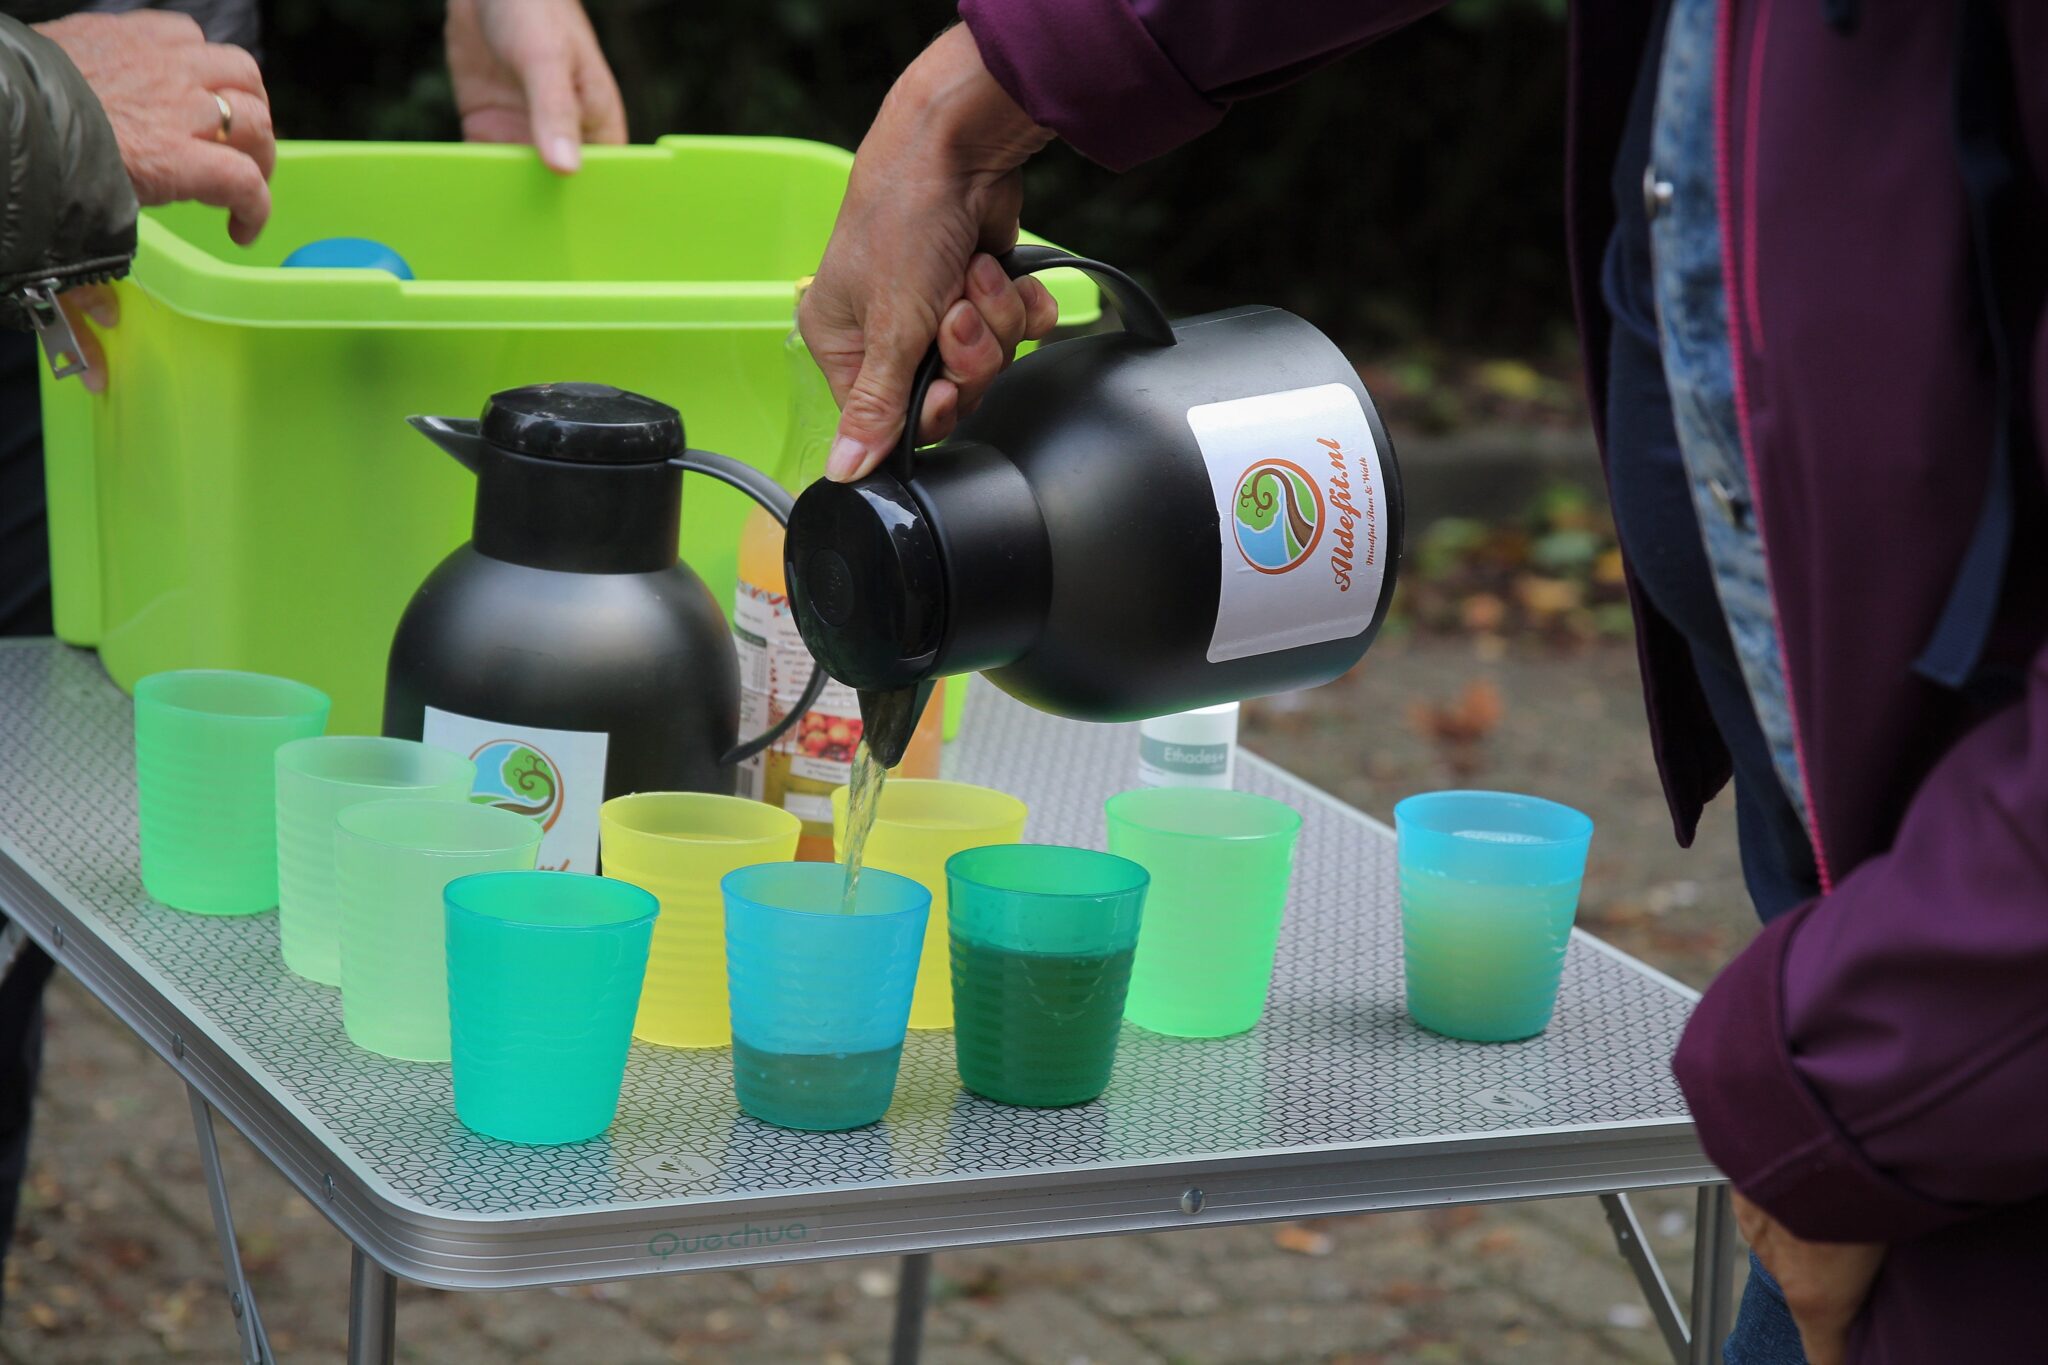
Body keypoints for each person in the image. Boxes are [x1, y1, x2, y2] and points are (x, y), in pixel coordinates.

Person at [799, 5, 2048, 1364]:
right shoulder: (1070, 630)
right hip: (1890, 992)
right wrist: (977, 88)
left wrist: (1858, 1090)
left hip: (1957, 1055)